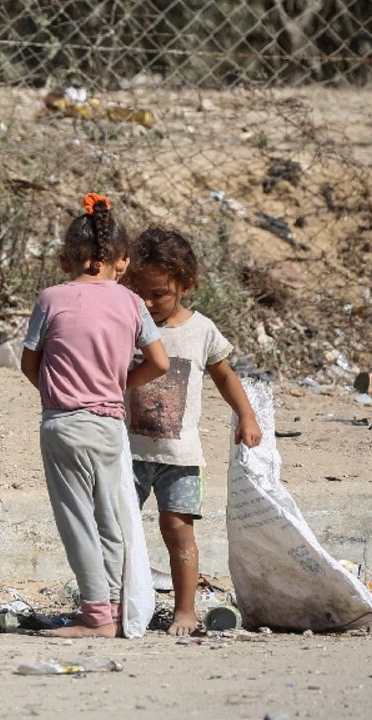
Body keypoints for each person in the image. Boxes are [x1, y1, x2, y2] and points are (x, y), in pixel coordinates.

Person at [20, 193, 169, 638]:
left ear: (68, 259)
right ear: (119, 260)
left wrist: (58, 391)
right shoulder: (131, 303)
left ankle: (96, 616)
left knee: (76, 519)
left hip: (63, 423)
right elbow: (159, 363)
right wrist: (117, 386)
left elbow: (30, 362)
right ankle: (118, 612)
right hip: (109, 426)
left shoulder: (50, 299)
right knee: (110, 517)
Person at [122, 226, 262, 636]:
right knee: (117, 529)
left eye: (159, 294)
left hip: (181, 458)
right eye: (140, 292)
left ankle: (185, 610)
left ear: (186, 284)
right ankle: (118, 605)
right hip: (127, 451)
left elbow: (224, 375)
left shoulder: (201, 330)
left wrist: (246, 416)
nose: (148, 303)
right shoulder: (129, 324)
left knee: (178, 530)